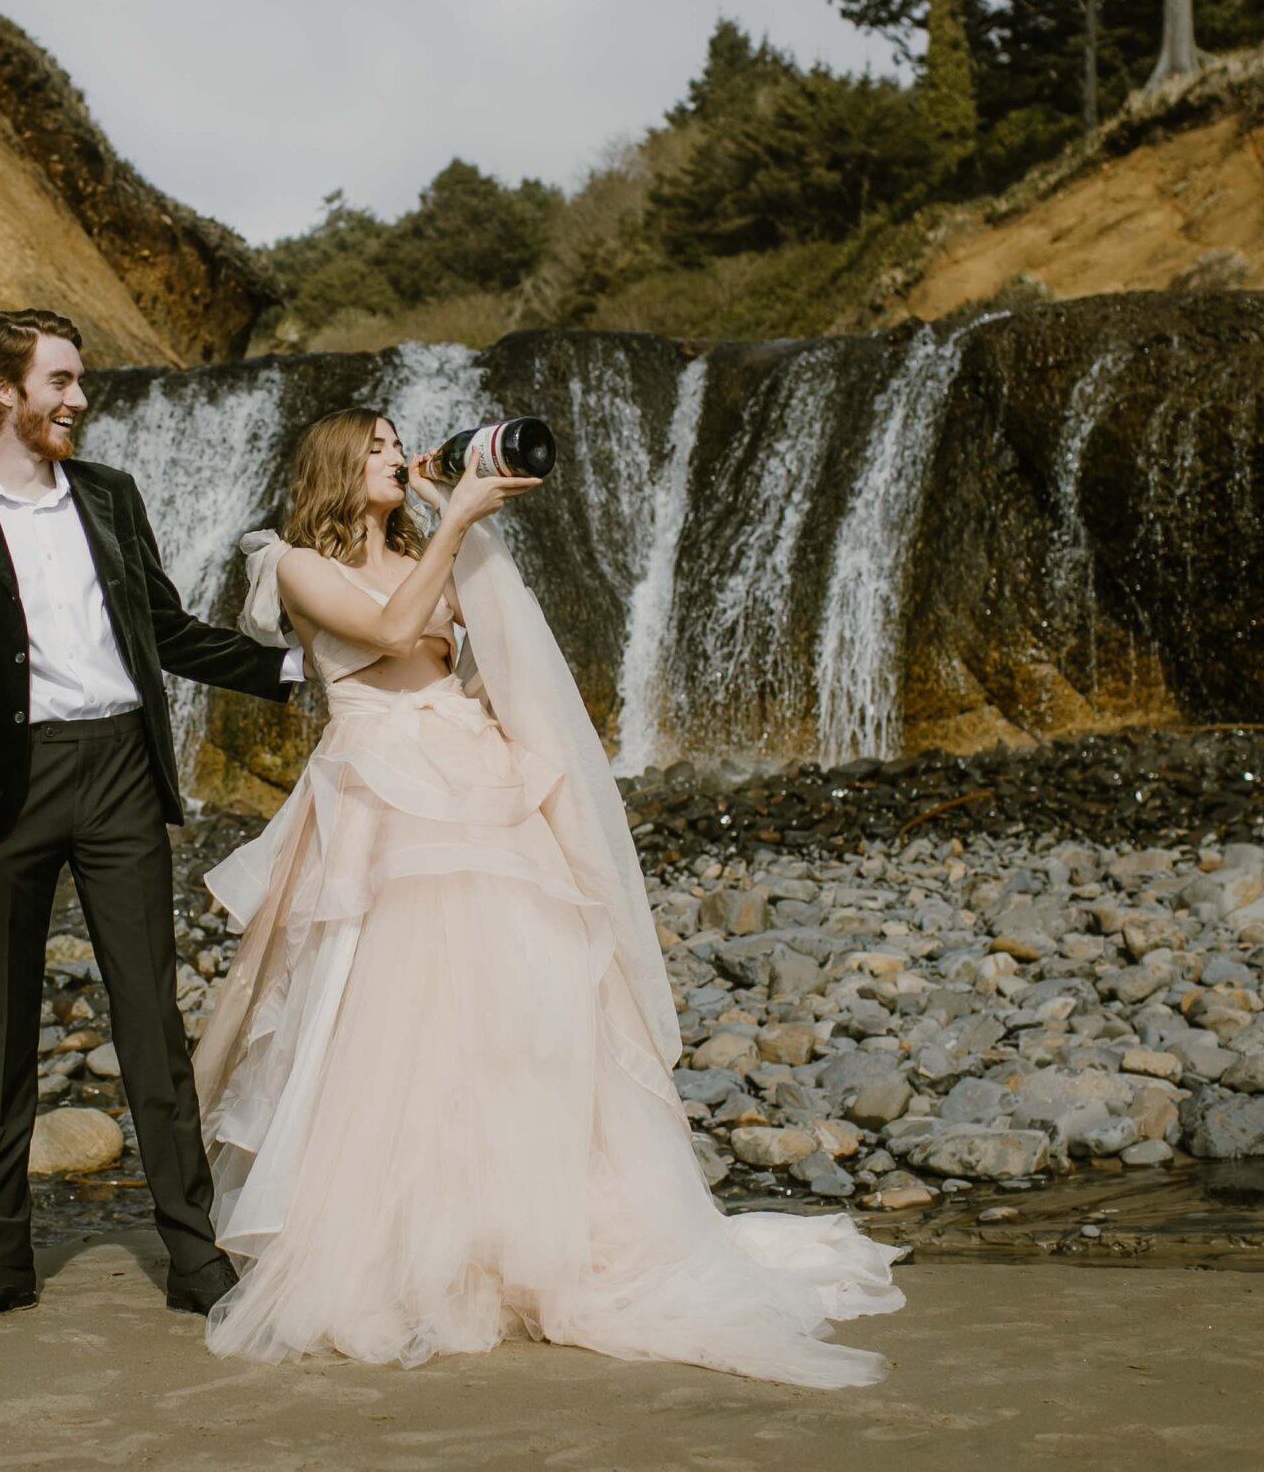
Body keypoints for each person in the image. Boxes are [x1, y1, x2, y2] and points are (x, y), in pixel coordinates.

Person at [187, 406, 907, 1386]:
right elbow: (395, 633)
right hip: (382, 800)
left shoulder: (426, 546)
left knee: (516, 1014)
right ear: (334, 465)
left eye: (403, 444)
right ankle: (411, 1242)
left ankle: (521, 1233)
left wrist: (461, 519)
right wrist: (455, 523)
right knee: (388, 1024)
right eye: (380, 444)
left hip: (473, 782)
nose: (399, 454)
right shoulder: (295, 564)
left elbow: (481, 660)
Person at [0, 309, 302, 1329]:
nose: (78, 399)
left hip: (118, 765)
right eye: (61, 381)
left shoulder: (111, 497)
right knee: (5, 1025)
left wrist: (295, 667)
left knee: (148, 1021)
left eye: (77, 382)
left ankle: (193, 1255)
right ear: (3, 390)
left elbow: (164, 631)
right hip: (6, 783)